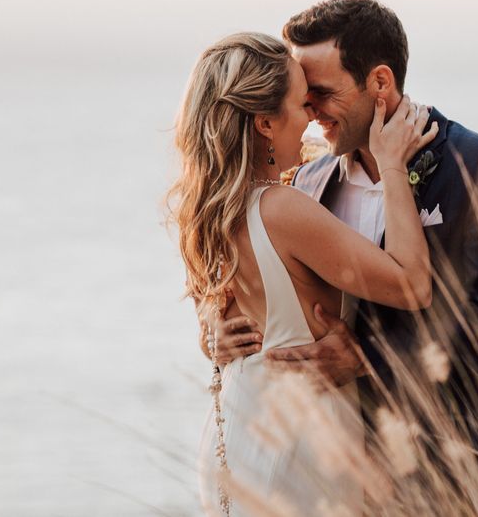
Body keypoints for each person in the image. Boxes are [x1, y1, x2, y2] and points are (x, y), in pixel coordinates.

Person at [215, 0, 478, 482]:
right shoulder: (304, 182)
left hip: (448, 470)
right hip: (330, 471)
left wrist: (368, 357)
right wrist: (226, 337)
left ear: (379, 82)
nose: (307, 107)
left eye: (319, 91)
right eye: (301, 93)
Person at [166, 32, 438, 516]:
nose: (312, 118)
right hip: (297, 444)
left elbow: (220, 321)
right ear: (265, 123)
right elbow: (412, 285)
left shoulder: (210, 213)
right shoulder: (282, 209)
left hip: (237, 430)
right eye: (300, 105)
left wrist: (210, 337)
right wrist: (393, 165)